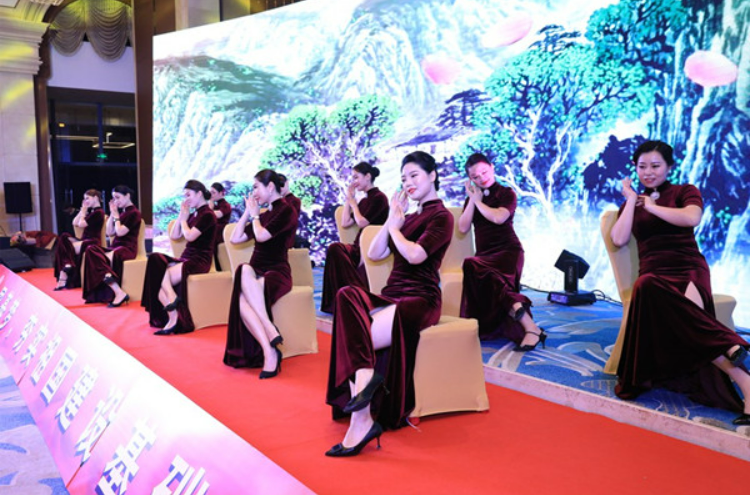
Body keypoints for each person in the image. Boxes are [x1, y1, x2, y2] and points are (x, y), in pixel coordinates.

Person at [610, 140, 749, 425]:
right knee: (647, 285)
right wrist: (631, 199)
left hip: (687, 268)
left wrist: (652, 206)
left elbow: (691, 218)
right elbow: (619, 238)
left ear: (669, 167)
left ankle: (747, 385)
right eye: (642, 167)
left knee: (688, 325)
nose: (648, 172)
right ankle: (734, 351)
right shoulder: (632, 203)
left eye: (655, 166)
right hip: (654, 273)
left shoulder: (685, 191)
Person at [325, 151, 453, 457]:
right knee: (346, 294)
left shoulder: (442, 216)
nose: (408, 183)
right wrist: (392, 221)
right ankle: (365, 390)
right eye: (404, 178)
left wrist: (396, 227)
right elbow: (375, 253)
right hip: (392, 293)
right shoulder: (406, 218)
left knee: (352, 339)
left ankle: (360, 421)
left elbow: (415, 255)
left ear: (432, 175)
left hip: (420, 298)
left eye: (414, 176)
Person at [458, 153, 544, 349]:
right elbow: (462, 227)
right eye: (475, 176)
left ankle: (531, 328)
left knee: (488, 276)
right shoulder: (473, 198)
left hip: (508, 252)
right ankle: (528, 327)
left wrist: (478, 202)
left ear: (492, 167)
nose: (481, 178)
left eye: (484, 172)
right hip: (484, 255)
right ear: (470, 179)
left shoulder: (506, 193)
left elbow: (499, 218)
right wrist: (472, 200)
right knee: (472, 265)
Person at [223, 169, 298, 378]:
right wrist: (248, 213)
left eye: (256, 187)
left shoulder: (287, 210)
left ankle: (269, 351)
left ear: (270, 187)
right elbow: (235, 239)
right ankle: (269, 343)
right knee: (244, 269)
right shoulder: (262, 215)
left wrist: (255, 216)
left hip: (277, 272)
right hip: (255, 271)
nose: (254, 191)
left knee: (241, 301)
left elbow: (262, 236)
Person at [142, 180, 217, 335]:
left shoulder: (208, 215)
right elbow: (174, 235)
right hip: (186, 258)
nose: (186, 199)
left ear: (199, 193)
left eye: (188, 195)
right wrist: (181, 216)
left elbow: (190, 236)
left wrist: (184, 220)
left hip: (199, 260)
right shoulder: (194, 213)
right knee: (155, 260)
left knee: (160, 277)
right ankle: (173, 312)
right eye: (184, 196)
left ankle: (173, 310)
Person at [320, 162, 389, 313]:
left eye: (356, 177)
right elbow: (345, 223)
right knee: (334, 249)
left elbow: (363, 222)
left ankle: (358, 297)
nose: (354, 181)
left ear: (368, 176)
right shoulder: (364, 200)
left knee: (337, 249)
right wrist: (348, 200)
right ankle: (338, 303)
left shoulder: (380, 198)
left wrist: (354, 206)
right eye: (353, 178)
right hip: (359, 245)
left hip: (371, 246)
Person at [82, 185, 142, 307]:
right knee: (91, 250)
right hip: (115, 247)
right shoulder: (122, 213)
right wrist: (112, 213)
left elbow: (120, 232)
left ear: (127, 196)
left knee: (97, 256)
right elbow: (110, 232)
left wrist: (116, 216)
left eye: (118, 197)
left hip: (127, 249)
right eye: (114, 198)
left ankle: (117, 291)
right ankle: (116, 289)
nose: (116, 201)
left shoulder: (134, 213)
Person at [53, 189, 105, 290]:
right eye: (84, 199)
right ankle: (67, 265)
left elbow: (81, 224)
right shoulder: (92, 212)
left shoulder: (99, 212)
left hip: (92, 241)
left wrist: (84, 212)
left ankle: (64, 274)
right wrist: (82, 211)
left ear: (95, 198)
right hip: (84, 239)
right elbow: (74, 222)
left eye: (87, 198)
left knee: (66, 247)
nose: (85, 201)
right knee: (64, 237)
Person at [209, 182, 233, 269]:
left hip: (220, 233)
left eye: (213, 192)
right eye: (210, 192)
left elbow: (218, 215)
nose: (211, 195)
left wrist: (210, 207)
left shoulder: (226, 205)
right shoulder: (214, 205)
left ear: (221, 193)